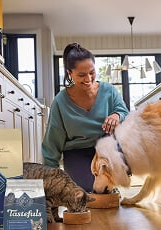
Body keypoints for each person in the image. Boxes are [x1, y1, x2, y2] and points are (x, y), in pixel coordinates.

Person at [42, 43, 129, 192]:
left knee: (106, 188)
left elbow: (124, 112)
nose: (88, 79)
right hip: (77, 152)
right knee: (88, 192)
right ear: (70, 73)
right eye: (81, 75)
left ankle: (112, 180)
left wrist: (117, 115)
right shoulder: (60, 102)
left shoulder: (108, 90)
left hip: (106, 146)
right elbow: (52, 142)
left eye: (92, 72)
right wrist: (51, 178)